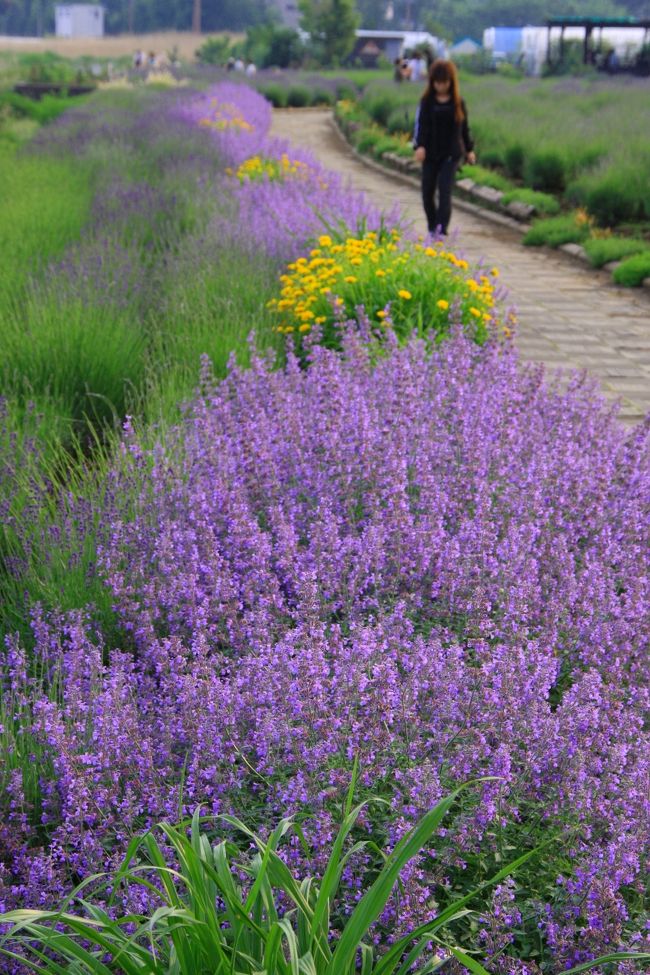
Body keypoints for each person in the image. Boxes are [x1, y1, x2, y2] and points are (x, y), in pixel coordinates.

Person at [413, 58, 476, 236]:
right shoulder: (427, 102)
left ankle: (441, 230)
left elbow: (464, 128)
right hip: (430, 153)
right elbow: (421, 125)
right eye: (438, 82)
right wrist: (419, 146)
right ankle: (432, 225)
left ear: (451, 82)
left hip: (451, 153)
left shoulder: (458, 102)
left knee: (445, 190)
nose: (441, 86)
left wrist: (469, 150)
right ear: (432, 82)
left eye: (445, 82)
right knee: (427, 192)